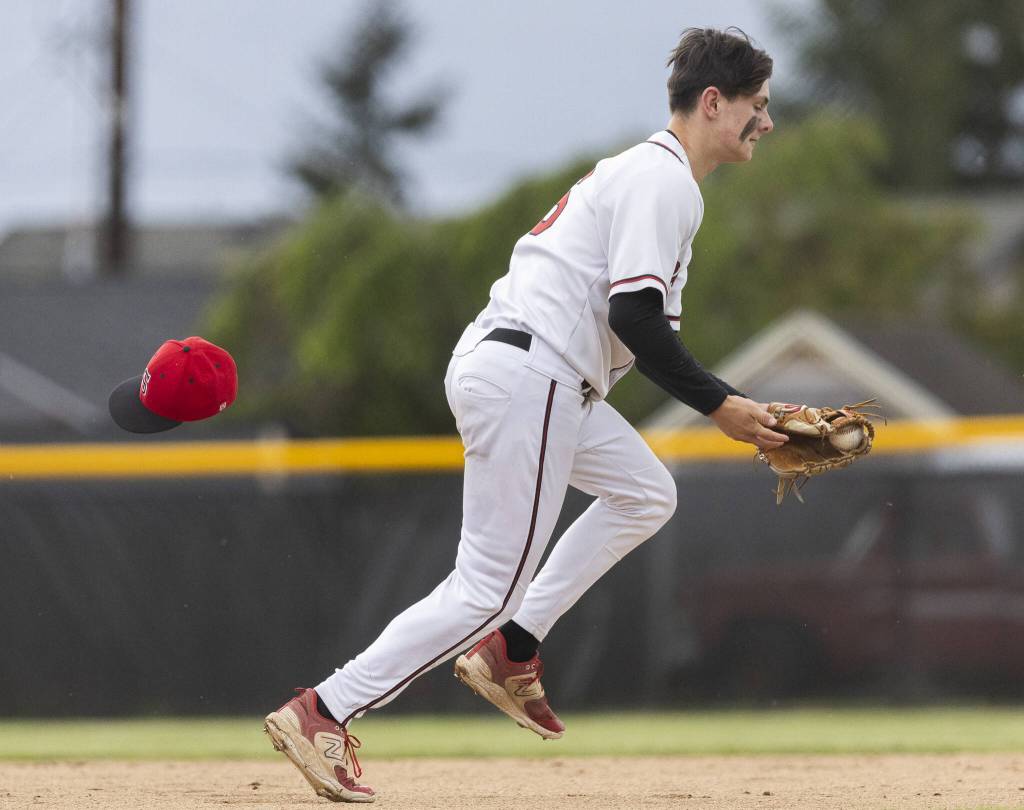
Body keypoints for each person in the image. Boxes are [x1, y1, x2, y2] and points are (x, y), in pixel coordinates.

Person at [264, 26, 786, 803]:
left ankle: (512, 648)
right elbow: (637, 320)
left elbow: (648, 332)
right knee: (485, 586)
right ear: (713, 102)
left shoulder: (657, 179)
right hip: (535, 373)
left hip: (529, 370)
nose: (767, 123)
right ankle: (325, 709)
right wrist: (724, 406)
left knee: (646, 492)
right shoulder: (663, 181)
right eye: (757, 105)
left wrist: (736, 401)